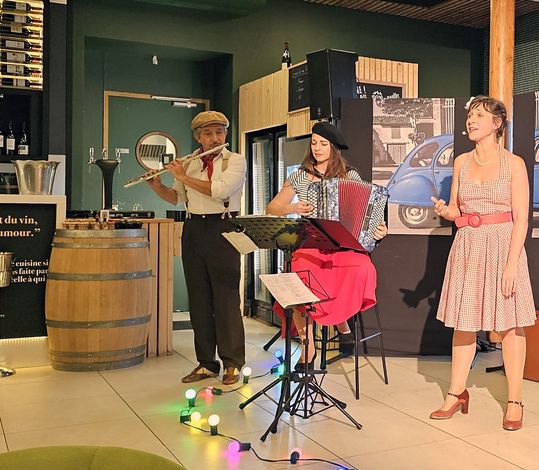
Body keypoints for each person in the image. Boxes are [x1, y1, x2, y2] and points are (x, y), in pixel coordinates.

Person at [430, 96, 536, 431]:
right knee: (464, 321)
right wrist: (447, 213)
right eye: (470, 115)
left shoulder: (514, 164)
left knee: (509, 324)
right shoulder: (461, 162)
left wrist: (511, 265)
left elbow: (521, 219)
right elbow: (457, 210)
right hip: (468, 245)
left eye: (479, 115)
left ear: (497, 124)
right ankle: (456, 393)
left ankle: (515, 399)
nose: (471, 120)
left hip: (504, 244)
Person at [265, 122, 387, 366]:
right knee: (298, 273)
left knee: (360, 268)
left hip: (344, 245)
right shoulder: (298, 176)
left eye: (323, 144)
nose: (318, 148)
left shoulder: (349, 175)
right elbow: (272, 208)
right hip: (311, 242)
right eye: (314, 143)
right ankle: (308, 347)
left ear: (333, 148)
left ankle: (341, 323)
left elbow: (366, 212)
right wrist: (292, 207)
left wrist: (378, 229)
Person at [147, 111, 247, 385]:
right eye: (208, 133)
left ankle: (232, 362)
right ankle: (206, 363)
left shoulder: (235, 160)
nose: (215, 138)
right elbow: (176, 198)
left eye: (220, 132)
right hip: (193, 230)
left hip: (224, 228)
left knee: (226, 299)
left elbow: (220, 190)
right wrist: (158, 186)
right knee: (199, 299)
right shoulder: (189, 164)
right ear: (197, 137)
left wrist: (182, 175)